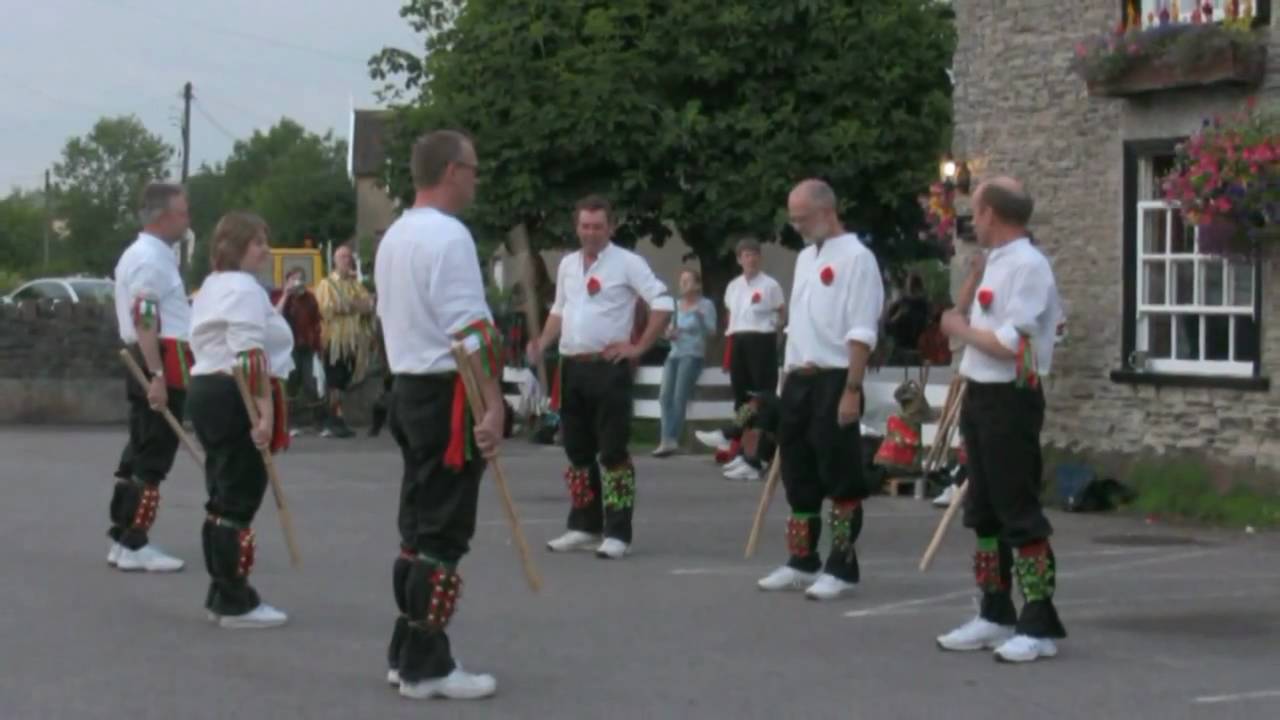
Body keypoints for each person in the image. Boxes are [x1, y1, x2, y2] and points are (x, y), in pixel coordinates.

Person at [375, 129, 505, 700]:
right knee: (443, 531)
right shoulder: (449, 238)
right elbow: (471, 333)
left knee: (417, 525)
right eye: (473, 169)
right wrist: (493, 403)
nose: (476, 179)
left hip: (406, 384)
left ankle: (405, 650)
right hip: (445, 391)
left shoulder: (395, 235)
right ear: (452, 170)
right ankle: (428, 664)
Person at [936, 176, 1066, 663]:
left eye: (976, 209)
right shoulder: (996, 262)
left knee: (1018, 508)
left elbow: (1011, 345)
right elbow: (975, 325)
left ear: (991, 212)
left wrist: (959, 329)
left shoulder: (1030, 265)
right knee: (985, 510)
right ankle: (994, 612)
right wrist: (968, 293)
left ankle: (1038, 622)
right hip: (981, 395)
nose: (973, 218)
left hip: (1012, 396)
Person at [756, 179, 883, 602]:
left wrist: (852, 387)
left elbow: (862, 329)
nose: (798, 227)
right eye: (793, 220)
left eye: (802, 219)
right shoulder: (806, 258)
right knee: (798, 471)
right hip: (800, 376)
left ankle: (842, 566)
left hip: (834, 376)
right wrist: (785, 376)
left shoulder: (858, 258)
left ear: (827, 211)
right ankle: (801, 560)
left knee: (841, 473)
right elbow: (797, 323)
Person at [527, 195, 674, 560]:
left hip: (607, 368)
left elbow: (663, 303)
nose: (590, 233)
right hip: (571, 365)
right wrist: (543, 341)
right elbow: (560, 308)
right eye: (584, 226)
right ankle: (583, 525)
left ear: (610, 226)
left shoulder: (628, 263)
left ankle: (618, 532)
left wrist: (637, 347)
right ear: (577, 227)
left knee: (612, 451)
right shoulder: (567, 265)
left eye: (597, 226)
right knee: (576, 450)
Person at [187, 211, 293, 629]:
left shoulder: (212, 286)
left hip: (208, 390)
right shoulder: (245, 288)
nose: (265, 250)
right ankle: (234, 599)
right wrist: (265, 413)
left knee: (222, 492)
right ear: (235, 247)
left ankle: (222, 590)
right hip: (235, 393)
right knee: (240, 495)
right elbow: (250, 355)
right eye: (257, 243)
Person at [106, 182, 193, 573]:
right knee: (152, 453)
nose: (187, 220)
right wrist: (157, 373)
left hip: (154, 358)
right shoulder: (150, 259)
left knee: (141, 448)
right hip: (158, 359)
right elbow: (145, 315)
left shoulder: (150, 255)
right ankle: (134, 541)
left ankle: (123, 538)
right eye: (182, 213)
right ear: (163, 217)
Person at [653, 269, 716, 457]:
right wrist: (669, 334)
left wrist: (700, 318)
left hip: (692, 354)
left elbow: (712, 331)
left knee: (679, 397)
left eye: (687, 281)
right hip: (674, 353)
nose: (683, 284)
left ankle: (669, 439)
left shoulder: (706, 305)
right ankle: (667, 440)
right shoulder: (676, 305)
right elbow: (669, 331)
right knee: (664, 396)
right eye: (682, 281)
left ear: (697, 285)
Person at [314, 244, 375, 438]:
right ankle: (334, 420)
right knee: (334, 380)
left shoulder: (355, 284)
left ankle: (337, 418)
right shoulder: (326, 284)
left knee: (344, 380)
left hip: (353, 341)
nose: (346, 260)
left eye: (348, 257)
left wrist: (353, 305)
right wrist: (354, 305)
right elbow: (326, 308)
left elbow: (369, 305)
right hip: (335, 341)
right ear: (334, 260)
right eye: (342, 257)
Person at [271, 267, 323, 432]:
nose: (297, 282)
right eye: (293, 279)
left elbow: (316, 322)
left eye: (300, 279)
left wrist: (317, 343)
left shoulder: (310, 298)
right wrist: (286, 294)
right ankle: (289, 424)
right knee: (291, 385)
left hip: (307, 346)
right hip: (289, 348)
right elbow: (275, 314)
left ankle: (319, 422)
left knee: (311, 383)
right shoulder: (284, 298)